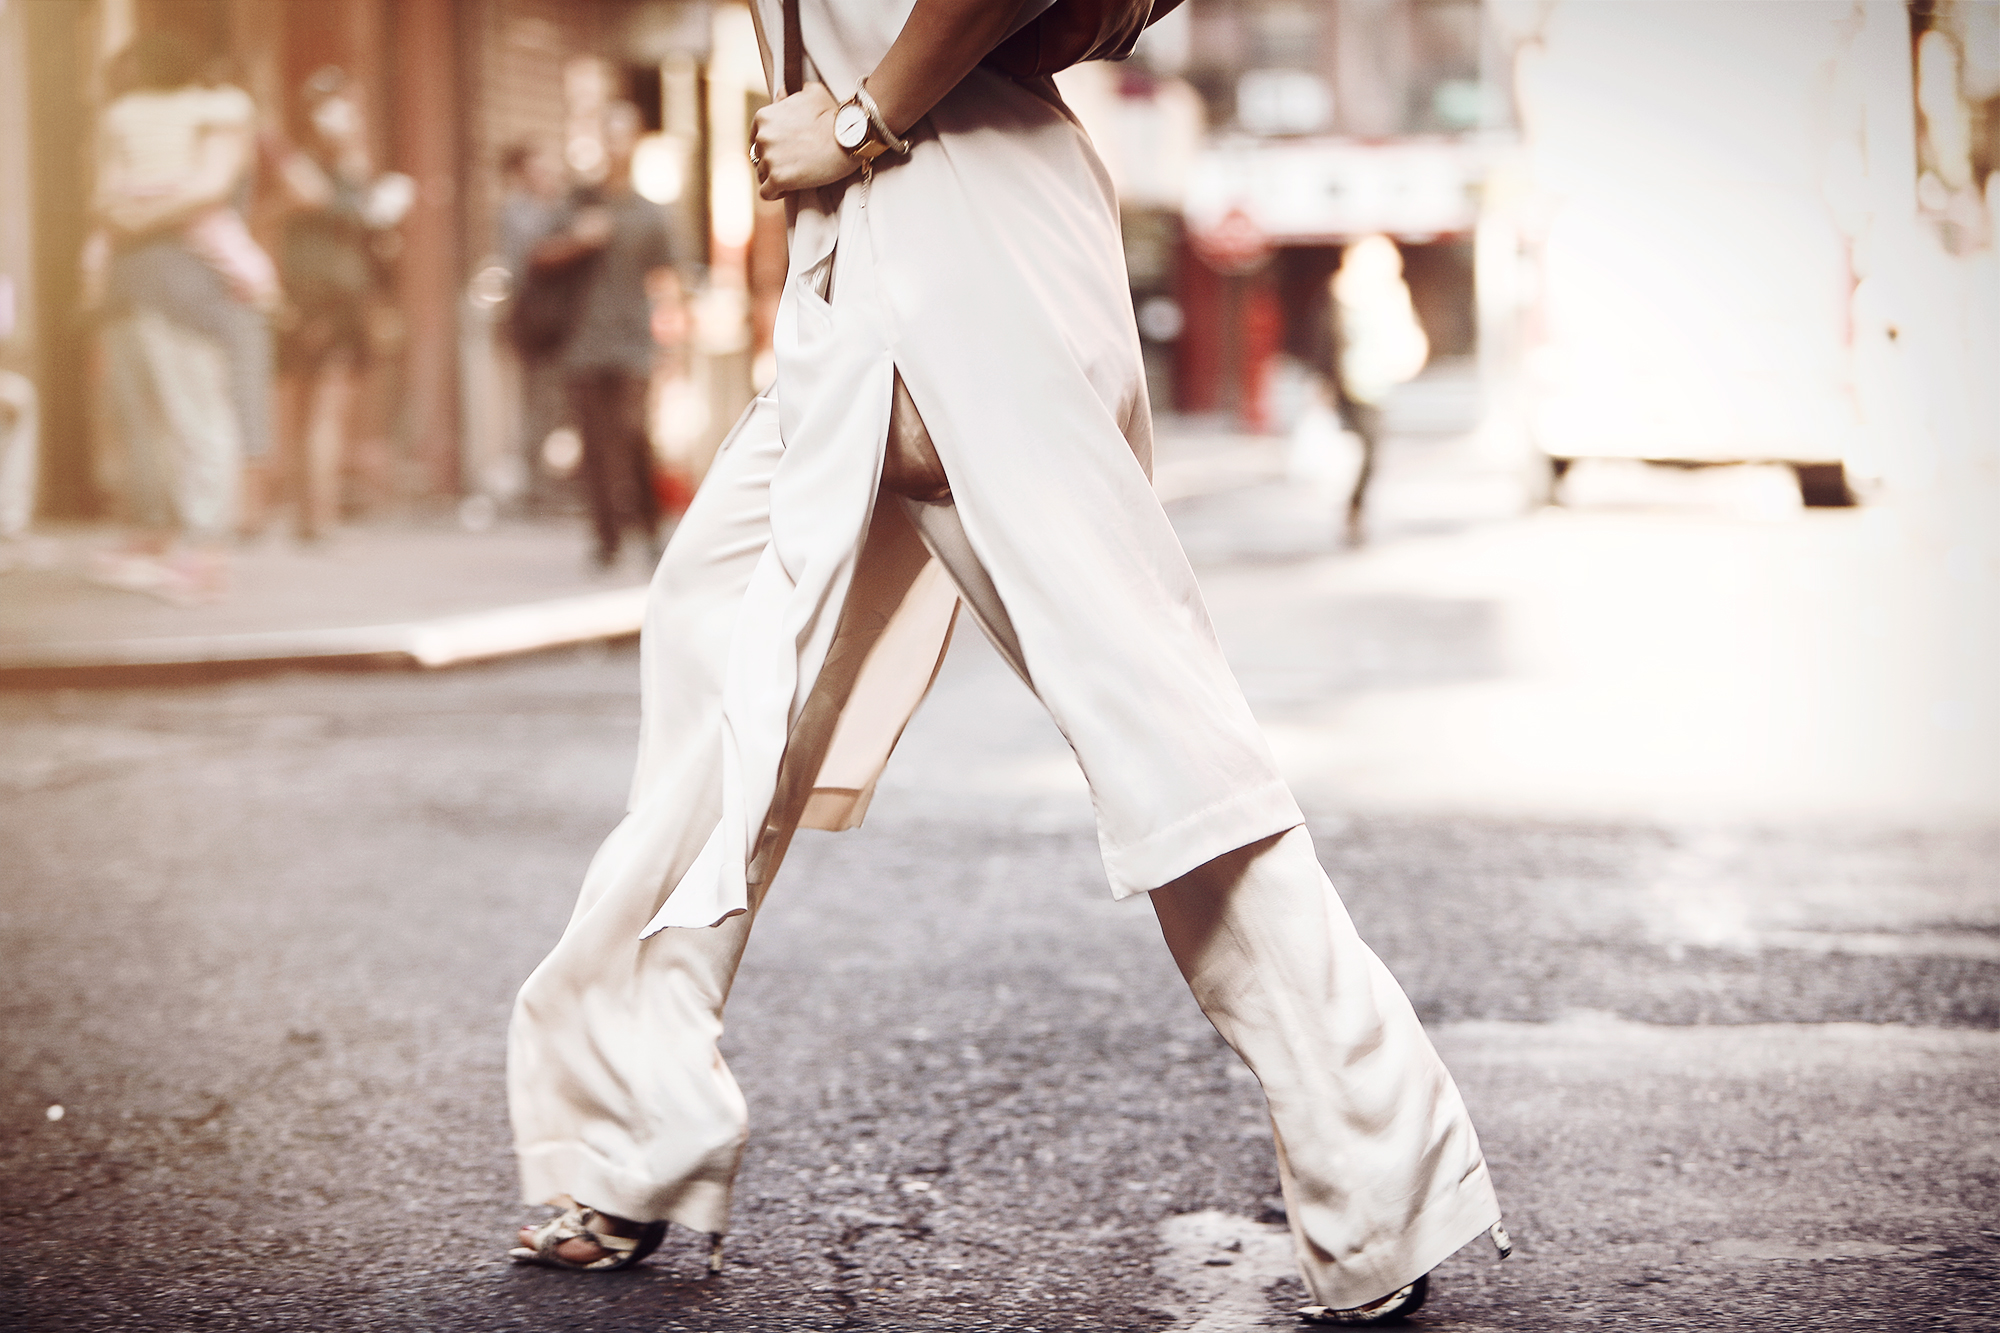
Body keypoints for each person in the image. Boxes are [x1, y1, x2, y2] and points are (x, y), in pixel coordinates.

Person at [505, 1, 1507, 1323]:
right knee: (717, 663)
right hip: (864, 260)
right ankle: (627, 1134)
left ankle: (1383, 1180)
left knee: (1156, 731)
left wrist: (858, 119)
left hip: (964, 253)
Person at [88, 31, 273, 602]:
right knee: (152, 419)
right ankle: (169, 538)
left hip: (183, 283)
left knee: (196, 415)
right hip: (138, 283)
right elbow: (107, 198)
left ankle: (205, 549)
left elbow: (205, 189)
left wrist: (138, 216)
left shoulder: (217, 115)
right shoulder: (138, 119)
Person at [526, 103, 674, 569]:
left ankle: (650, 528)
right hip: (582, 341)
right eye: (609, 135)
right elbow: (538, 258)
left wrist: (670, 344)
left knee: (634, 435)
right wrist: (580, 241)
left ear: (635, 143)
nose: (615, 145)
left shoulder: (650, 214)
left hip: (633, 341)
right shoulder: (578, 203)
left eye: (624, 135)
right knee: (594, 441)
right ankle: (606, 539)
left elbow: (666, 280)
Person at [273, 66, 413, 542]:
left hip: (329, 292)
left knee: (315, 408)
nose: (352, 117)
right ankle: (319, 518)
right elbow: (333, 209)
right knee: (319, 408)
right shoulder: (308, 165)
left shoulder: (342, 165)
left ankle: (312, 514)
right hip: (324, 294)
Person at [1325, 235, 1428, 547]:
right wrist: (1324, 382)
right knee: (1363, 450)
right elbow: (1325, 340)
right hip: (1348, 385)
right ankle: (1352, 507)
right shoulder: (1341, 291)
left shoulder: (1392, 295)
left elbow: (1407, 335)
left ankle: (1355, 507)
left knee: (1372, 453)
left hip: (1379, 384)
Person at [497, 137, 571, 514]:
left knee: (559, 405)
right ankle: (537, 489)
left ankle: (556, 483)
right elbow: (532, 256)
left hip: (564, 319)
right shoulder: (517, 211)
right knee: (538, 404)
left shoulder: (558, 205)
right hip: (536, 320)